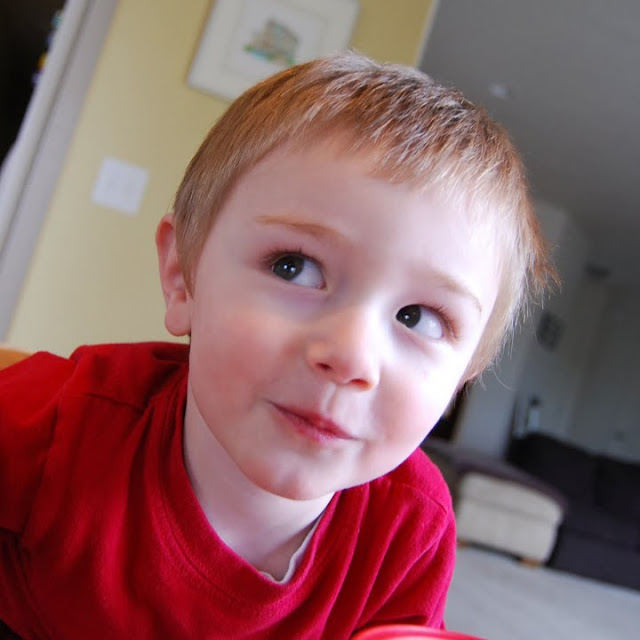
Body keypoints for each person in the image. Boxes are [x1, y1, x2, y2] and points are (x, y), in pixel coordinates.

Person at [0, 52, 554, 639]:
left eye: (418, 317)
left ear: (463, 377)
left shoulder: (409, 528)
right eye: (294, 266)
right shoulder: (64, 420)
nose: (351, 356)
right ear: (184, 276)